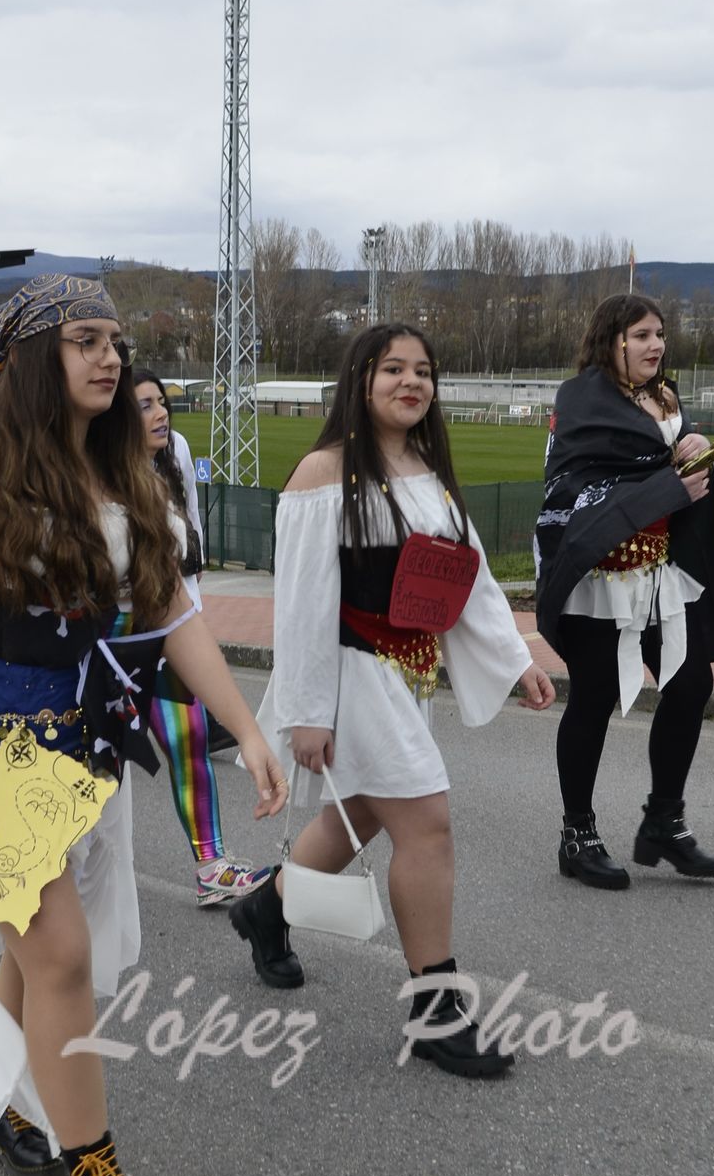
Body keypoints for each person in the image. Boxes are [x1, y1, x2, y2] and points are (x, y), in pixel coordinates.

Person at [0, 275, 287, 1176]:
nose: (108, 358)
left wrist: (247, 723)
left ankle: (19, 1109)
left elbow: (172, 615)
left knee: (38, 958)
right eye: (82, 340)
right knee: (58, 956)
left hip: (80, 756)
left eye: (114, 341)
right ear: (29, 358)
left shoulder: (127, 475)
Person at [229, 322, 556, 1079]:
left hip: (408, 673)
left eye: (423, 371)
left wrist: (516, 659)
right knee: (428, 822)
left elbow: (461, 578)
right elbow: (305, 604)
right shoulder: (322, 474)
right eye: (393, 370)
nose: (411, 382)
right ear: (361, 381)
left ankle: (266, 910)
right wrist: (308, 712)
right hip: (351, 674)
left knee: (370, 812)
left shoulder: (426, 469)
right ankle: (436, 1008)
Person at [535, 293, 714, 892]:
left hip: (657, 573)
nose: (656, 345)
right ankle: (578, 835)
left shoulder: (667, 398)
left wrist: (696, 442)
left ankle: (663, 822)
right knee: (594, 698)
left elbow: (666, 456)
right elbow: (573, 487)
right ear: (613, 340)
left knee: (691, 682)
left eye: (660, 334)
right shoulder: (582, 402)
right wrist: (665, 482)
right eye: (643, 335)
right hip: (601, 578)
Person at [129, 367, 272, 906]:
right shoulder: (92, 472)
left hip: (170, 626)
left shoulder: (178, 450)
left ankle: (211, 864)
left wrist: (193, 609)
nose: (160, 413)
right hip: (106, 645)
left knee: (187, 740)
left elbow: (188, 535)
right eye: (144, 406)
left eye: (160, 402)